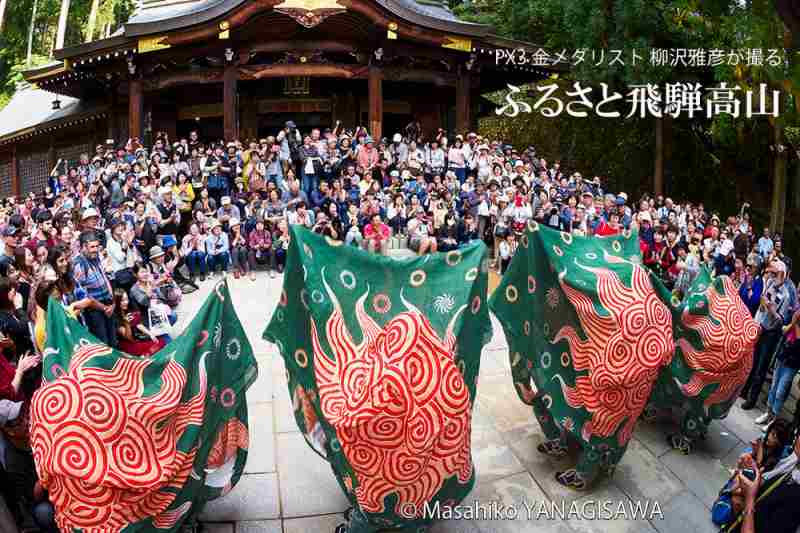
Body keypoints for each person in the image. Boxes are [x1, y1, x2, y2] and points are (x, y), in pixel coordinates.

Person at [742, 260, 793, 411]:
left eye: (775, 273)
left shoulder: (786, 295)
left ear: (782, 274)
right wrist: (763, 303)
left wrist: (771, 309)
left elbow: (782, 320)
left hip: (771, 333)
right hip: (761, 326)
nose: (772, 275)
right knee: (753, 360)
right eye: (771, 272)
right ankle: (744, 391)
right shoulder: (770, 283)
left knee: (761, 366)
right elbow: (763, 299)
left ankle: (752, 398)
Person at [71, 230, 116, 346]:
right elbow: (83, 295)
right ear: (83, 247)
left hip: (107, 304)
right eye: (92, 247)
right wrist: (104, 308)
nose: (95, 249)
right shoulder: (79, 265)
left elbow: (104, 277)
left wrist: (112, 302)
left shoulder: (96, 257)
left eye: (97, 246)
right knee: (103, 342)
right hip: (95, 310)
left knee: (113, 339)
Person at [112, 288, 164, 357]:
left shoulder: (127, 309)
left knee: (160, 342)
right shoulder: (115, 317)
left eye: (126, 299)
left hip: (136, 338)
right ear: (117, 302)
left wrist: (150, 334)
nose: (126, 302)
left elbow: (138, 324)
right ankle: (143, 357)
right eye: (122, 300)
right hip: (127, 343)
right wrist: (126, 323)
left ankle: (144, 356)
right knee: (158, 344)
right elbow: (128, 338)